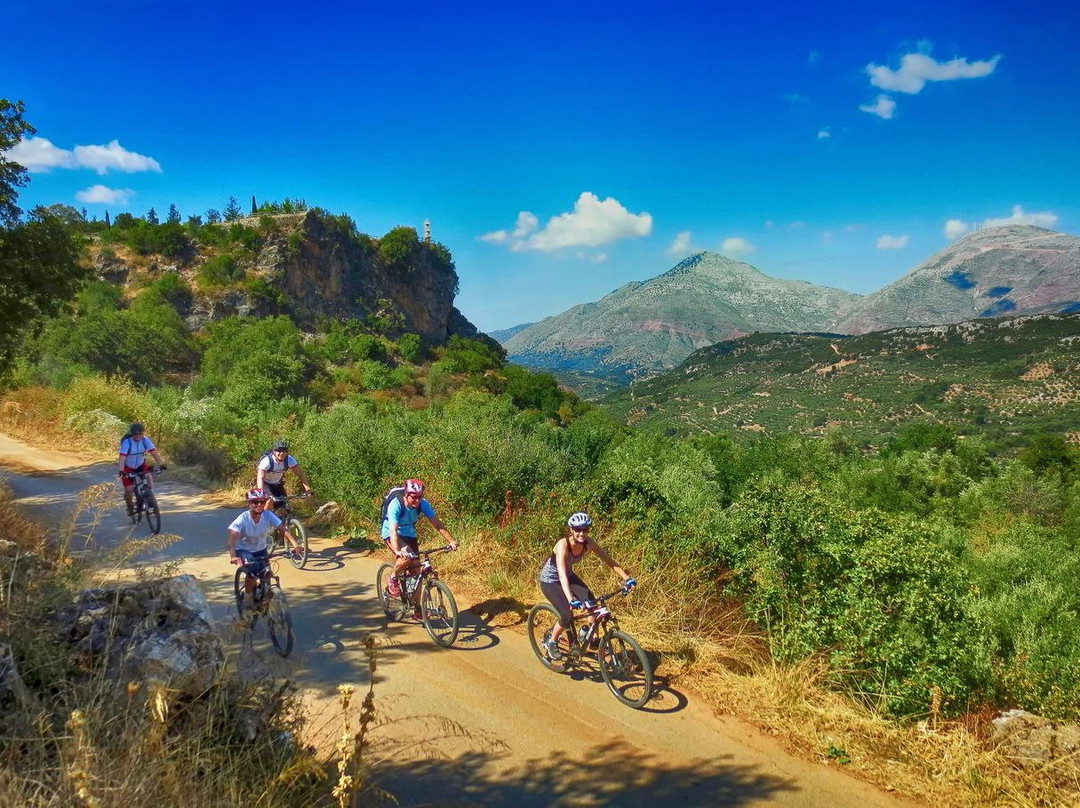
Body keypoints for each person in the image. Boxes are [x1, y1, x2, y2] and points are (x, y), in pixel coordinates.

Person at [538, 512, 635, 660]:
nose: (581, 533)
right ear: (571, 530)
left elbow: (609, 561)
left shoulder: (588, 543)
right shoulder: (563, 545)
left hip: (568, 577)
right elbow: (562, 575)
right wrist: (571, 599)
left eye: (585, 529)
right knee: (566, 614)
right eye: (578, 530)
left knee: (592, 603)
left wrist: (627, 578)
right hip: (550, 581)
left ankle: (591, 637)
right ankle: (552, 641)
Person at [381, 478, 458, 619]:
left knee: (417, 570)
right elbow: (393, 530)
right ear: (406, 494)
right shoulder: (396, 504)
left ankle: (418, 609)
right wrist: (398, 551)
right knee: (405, 558)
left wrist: (451, 540)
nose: (417, 500)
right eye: (413, 497)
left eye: (419, 497)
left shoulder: (423, 504)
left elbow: (437, 524)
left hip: (409, 533)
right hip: (391, 533)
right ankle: (393, 578)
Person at [227, 488, 303, 610]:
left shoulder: (267, 515)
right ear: (249, 503)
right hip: (244, 550)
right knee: (253, 572)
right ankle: (247, 596)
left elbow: (282, 530)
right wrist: (233, 556)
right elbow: (231, 541)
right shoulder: (242, 519)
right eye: (255, 502)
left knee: (267, 573)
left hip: (261, 549)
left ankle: (268, 596)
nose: (259, 505)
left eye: (262, 502)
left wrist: (295, 544)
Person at [118, 422, 165, 518]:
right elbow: (122, 457)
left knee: (149, 477)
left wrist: (161, 464)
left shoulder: (145, 440)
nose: (138, 436)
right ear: (132, 434)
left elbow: (153, 452)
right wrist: (121, 470)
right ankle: (130, 506)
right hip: (128, 468)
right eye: (136, 434)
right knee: (129, 490)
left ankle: (150, 498)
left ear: (143, 433)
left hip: (141, 465)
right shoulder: (127, 443)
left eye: (140, 434)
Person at [255, 440, 312, 511]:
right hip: (266, 484)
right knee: (269, 501)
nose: (282, 453)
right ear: (274, 452)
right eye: (279, 451)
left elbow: (301, 474)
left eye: (284, 451)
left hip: (277, 484)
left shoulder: (289, 460)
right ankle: (264, 518)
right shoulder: (267, 461)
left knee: (285, 506)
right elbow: (260, 478)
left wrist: (308, 490)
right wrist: (261, 493)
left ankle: (287, 521)